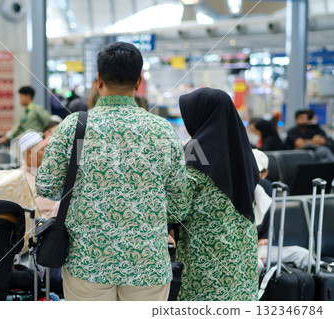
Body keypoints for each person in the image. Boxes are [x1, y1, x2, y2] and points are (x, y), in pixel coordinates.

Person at [36, 42, 187, 301]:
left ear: (98, 80)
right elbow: (179, 204)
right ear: (139, 81)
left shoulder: (75, 126)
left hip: (88, 261)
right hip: (147, 264)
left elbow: (46, 187)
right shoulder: (162, 130)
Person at [172, 87, 259, 301]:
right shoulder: (243, 152)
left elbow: (176, 209)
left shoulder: (195, 155)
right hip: (242, 253)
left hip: (207, 258)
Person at [253, 149, 313, 272]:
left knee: (302, 254)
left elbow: (266, 235)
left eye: (255, 171)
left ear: (264, 174)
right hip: (239, 252)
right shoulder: (230, 193)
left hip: (258, 250)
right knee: (256, 265)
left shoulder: (264, 197)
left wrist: (265, 239)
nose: (249, 175)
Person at [18, 131, 59, 218]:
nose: (46, 152)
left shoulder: (50, 172)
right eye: (42, 149)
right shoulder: (19, 179)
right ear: (30, 153)